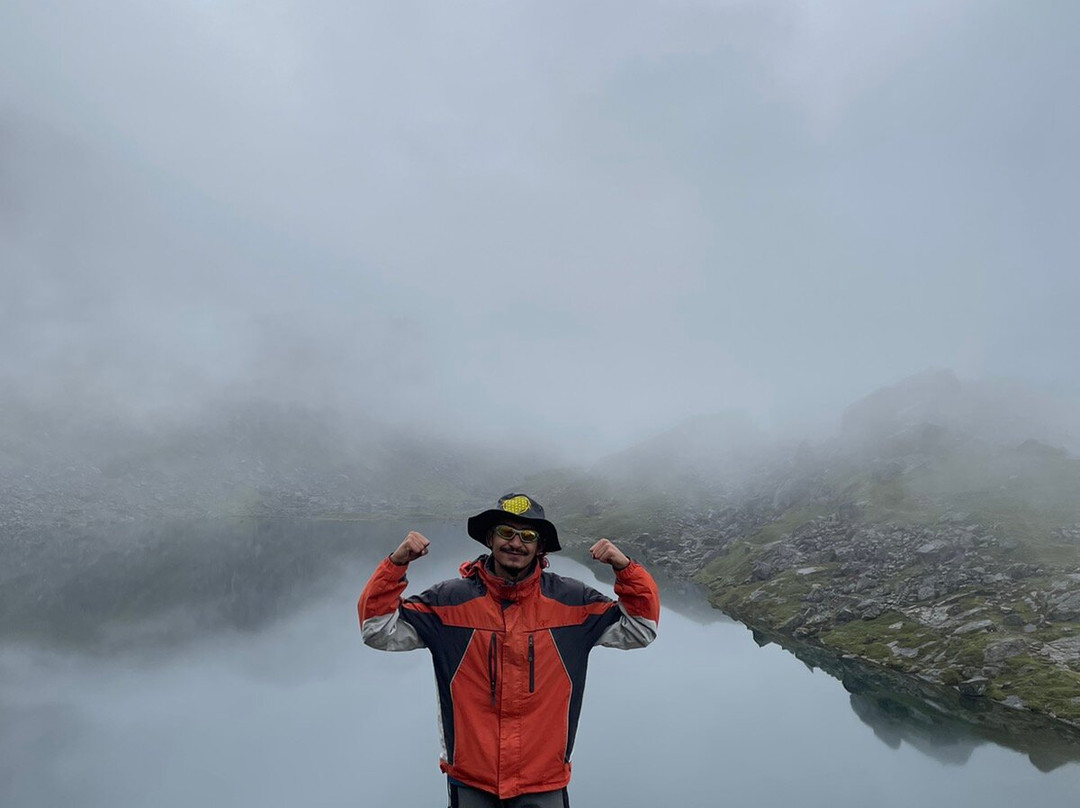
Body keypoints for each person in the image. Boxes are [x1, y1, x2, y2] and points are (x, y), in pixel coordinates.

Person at [358, 492, 660, 808]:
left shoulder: (573, 602)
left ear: (540, 547)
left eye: (528, 535)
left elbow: (641, 629)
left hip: (544, 783)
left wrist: (625, 568)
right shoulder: (448, 602)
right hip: (472, 781)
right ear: (490, 538)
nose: (516, 543)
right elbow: (377, 630)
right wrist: (396, 563)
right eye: (506, 532)